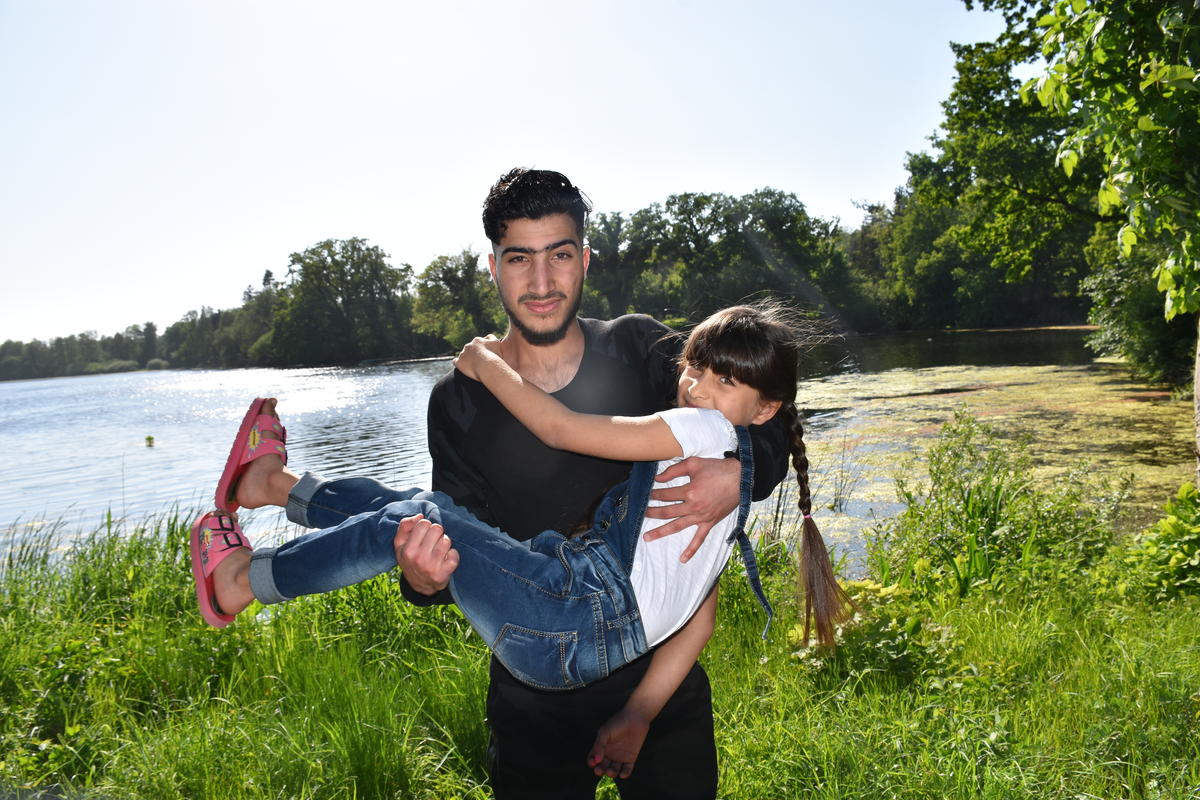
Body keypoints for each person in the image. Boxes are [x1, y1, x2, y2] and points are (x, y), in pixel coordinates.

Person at [190, 302, 849, 778]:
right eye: (697, 366)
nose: (696, 386)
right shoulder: (720, 490)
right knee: (428, 509)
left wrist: (482, 361)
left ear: (764, 412)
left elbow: (560, 428)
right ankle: (274, 487)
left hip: (574, 621)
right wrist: (639, 713)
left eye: (724, 382)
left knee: (417, 520)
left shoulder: (698, 433)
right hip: (581, 622)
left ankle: (242, 580)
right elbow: (696, 614)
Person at [410, 169, 791, 800]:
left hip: (663, 684)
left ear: (584, 259)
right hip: (534, 692)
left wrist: (740, 473)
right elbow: (458, 542)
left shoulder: (641, 346)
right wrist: (424, 578)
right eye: (519, 259)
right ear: (493, 267)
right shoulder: (458, 401)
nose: (541, 282)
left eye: (559, 255)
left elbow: (761, 410)